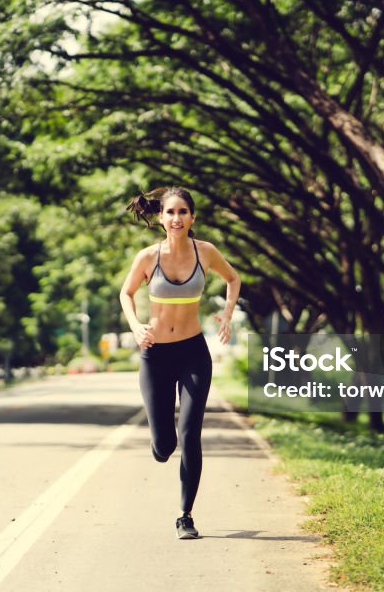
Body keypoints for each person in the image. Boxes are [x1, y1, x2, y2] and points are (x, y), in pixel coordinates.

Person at [119, 187, 241, 539]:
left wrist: (227, 314)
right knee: (164, 446)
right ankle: (161, 444)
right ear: (160, 217)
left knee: (190, 435)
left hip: (192, 353)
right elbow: (125, 293)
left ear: (192, 217)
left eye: (183, 212)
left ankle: (185, 515)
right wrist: (135, 325)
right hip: (155, 354)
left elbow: (233, 278)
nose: (177, 218)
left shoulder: (206, 253)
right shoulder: (147, 257)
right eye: (170, 212)